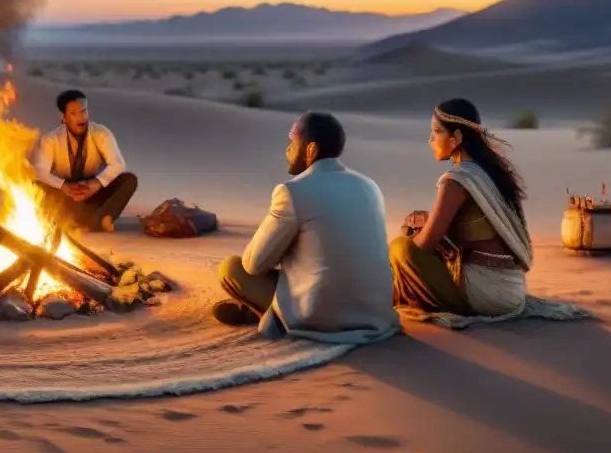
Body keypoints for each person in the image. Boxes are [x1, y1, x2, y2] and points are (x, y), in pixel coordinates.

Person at [388, 98, 589, 327]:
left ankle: (390, 299)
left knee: (401, 248)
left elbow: (424, 245)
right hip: (511, 288)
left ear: (457, 138)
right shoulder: (491, 170)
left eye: (436, 132)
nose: (430, 140)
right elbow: (472, 226)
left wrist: (414, 232)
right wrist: (431, 220)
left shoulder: (456, 180)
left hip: (485, 294)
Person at [212, 111, 401, 344]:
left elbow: (254, 264)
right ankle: (259, 309)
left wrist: (284, 248)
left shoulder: (292, 191)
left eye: (293, 141)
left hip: (320, 317)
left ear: (310, 149)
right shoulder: (369, 186)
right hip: (376, 314)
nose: (287, 149)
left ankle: (266, 313)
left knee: (231, 268)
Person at [33, 89, 138, 232]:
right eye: (74, 113)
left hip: (93, 192)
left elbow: (118, 164)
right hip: (65, 197)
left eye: (84, 111)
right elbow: (41, 172)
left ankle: (103, 218)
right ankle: (70, 221)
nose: (81, 118)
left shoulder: (101, 133)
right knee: (35, 184)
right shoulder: (50, 140)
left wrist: (95, 184)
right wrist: (64, 186)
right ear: (63, 117)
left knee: (129, 179)